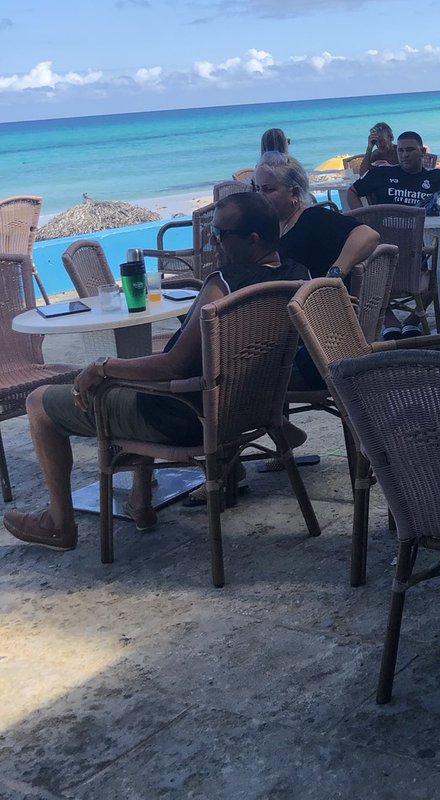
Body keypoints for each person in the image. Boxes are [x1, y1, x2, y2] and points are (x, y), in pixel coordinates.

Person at [1, 192, 311, 552]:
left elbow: (173, 365)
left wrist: (104, 367)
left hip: (182, 416)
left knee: (40, 402)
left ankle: (59, 523)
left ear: (253, 240)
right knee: (134, 378)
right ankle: (141, 501)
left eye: (220, 234)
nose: (213, 240)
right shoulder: (294, 277)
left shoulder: (224, 284)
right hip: (243, 409)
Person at [252, 152, 379, 279]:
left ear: (294, 193)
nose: (259, 195)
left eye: (268, 189)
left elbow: (367, 234)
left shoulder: (313, 219)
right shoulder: (268, 227)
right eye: (257, 189)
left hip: (316, 297)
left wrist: (334, 275)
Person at [347, 130, 440, 210]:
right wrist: (364, 220)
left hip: (427, 231)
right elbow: (352, 191)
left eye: (410, 150)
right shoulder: (382, 173)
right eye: (400, 151)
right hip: (388, 233)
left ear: (422, 152)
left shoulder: (437, 176)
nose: (405, 155)